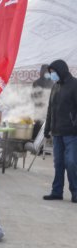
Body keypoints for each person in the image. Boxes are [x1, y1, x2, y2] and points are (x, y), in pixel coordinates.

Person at [43, 59, 77, 203]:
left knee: (71, 162)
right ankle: (57, 191)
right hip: (56, 132)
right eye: (51, 73)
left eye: (53, 72)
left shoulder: (75, 85)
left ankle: (75, 192)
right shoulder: (55, 87)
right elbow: (50, 109)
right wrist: (47, 129)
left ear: (61, 70)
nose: (52, 75)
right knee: (58, 163)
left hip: (72, 133)